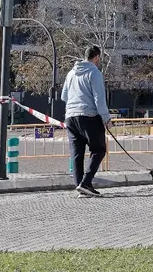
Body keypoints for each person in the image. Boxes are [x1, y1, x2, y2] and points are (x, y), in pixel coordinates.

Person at [61, 45, 111, 198]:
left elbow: (64, 96)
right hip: (88, 116)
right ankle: (86, 183)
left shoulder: (71, 73)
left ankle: (80, 187)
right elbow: (99, 98)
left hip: (70, 116)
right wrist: (106, 118)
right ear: (96, 57)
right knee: (99, 149)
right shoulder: (94, 72)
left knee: (77, 154)